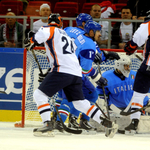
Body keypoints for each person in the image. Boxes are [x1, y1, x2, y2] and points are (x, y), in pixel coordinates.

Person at [24, 13, 118, 137]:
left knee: (39, 94)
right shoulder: (65, 35)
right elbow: (68, 51)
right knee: (80, 103)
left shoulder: (48, 29)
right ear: (60, 23)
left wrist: (31, 40)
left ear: (49, 22)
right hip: (76, 73)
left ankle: (47, 125)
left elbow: (36, 39)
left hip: (62, 70)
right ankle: (107, 123)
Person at [123, 16, 150, 134]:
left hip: (149, 66)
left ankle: (134, 123)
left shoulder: (148, 24)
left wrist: (129, 48)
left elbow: (136, 41)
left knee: (138, 94)